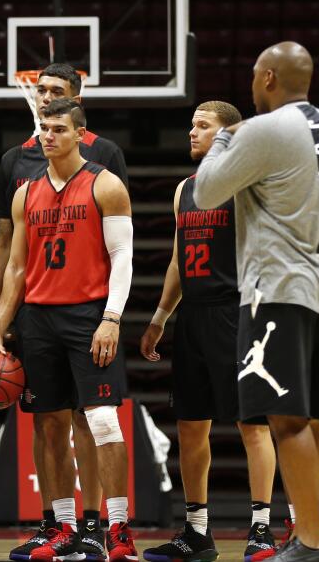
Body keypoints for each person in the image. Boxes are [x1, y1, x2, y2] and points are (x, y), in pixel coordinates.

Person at [192, 42, 319, 562]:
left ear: (267, 79)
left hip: (274, 294)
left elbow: (206, 193)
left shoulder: (261, 130)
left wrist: (222, 140)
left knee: (285, 420)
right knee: (307, 419)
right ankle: (315, 534)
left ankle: (308, 541)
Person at [0, 98, 137, 562]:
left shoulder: (106, 185)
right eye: (44, 129)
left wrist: (112, 316)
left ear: (80, 135)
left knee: (101, 420)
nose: (48, 136)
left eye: (59, 129)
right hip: (38, 317)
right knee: (48, 426)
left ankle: (115, 527)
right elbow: (17, 267)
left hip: (88, 314)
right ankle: (64, 528)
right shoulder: (25, 192)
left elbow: (123, 256)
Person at [138, 101, 278, 562]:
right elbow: (179, 259)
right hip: (193, 317)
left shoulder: (247, 183)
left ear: (227, 135)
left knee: (252, 425)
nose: (191, 132)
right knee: (190, 426)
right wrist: (160, 316)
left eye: (203, 125)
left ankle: (261, 529)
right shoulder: (186, 189)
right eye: (191, 125)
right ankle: (197, 531)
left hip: (237, 312)